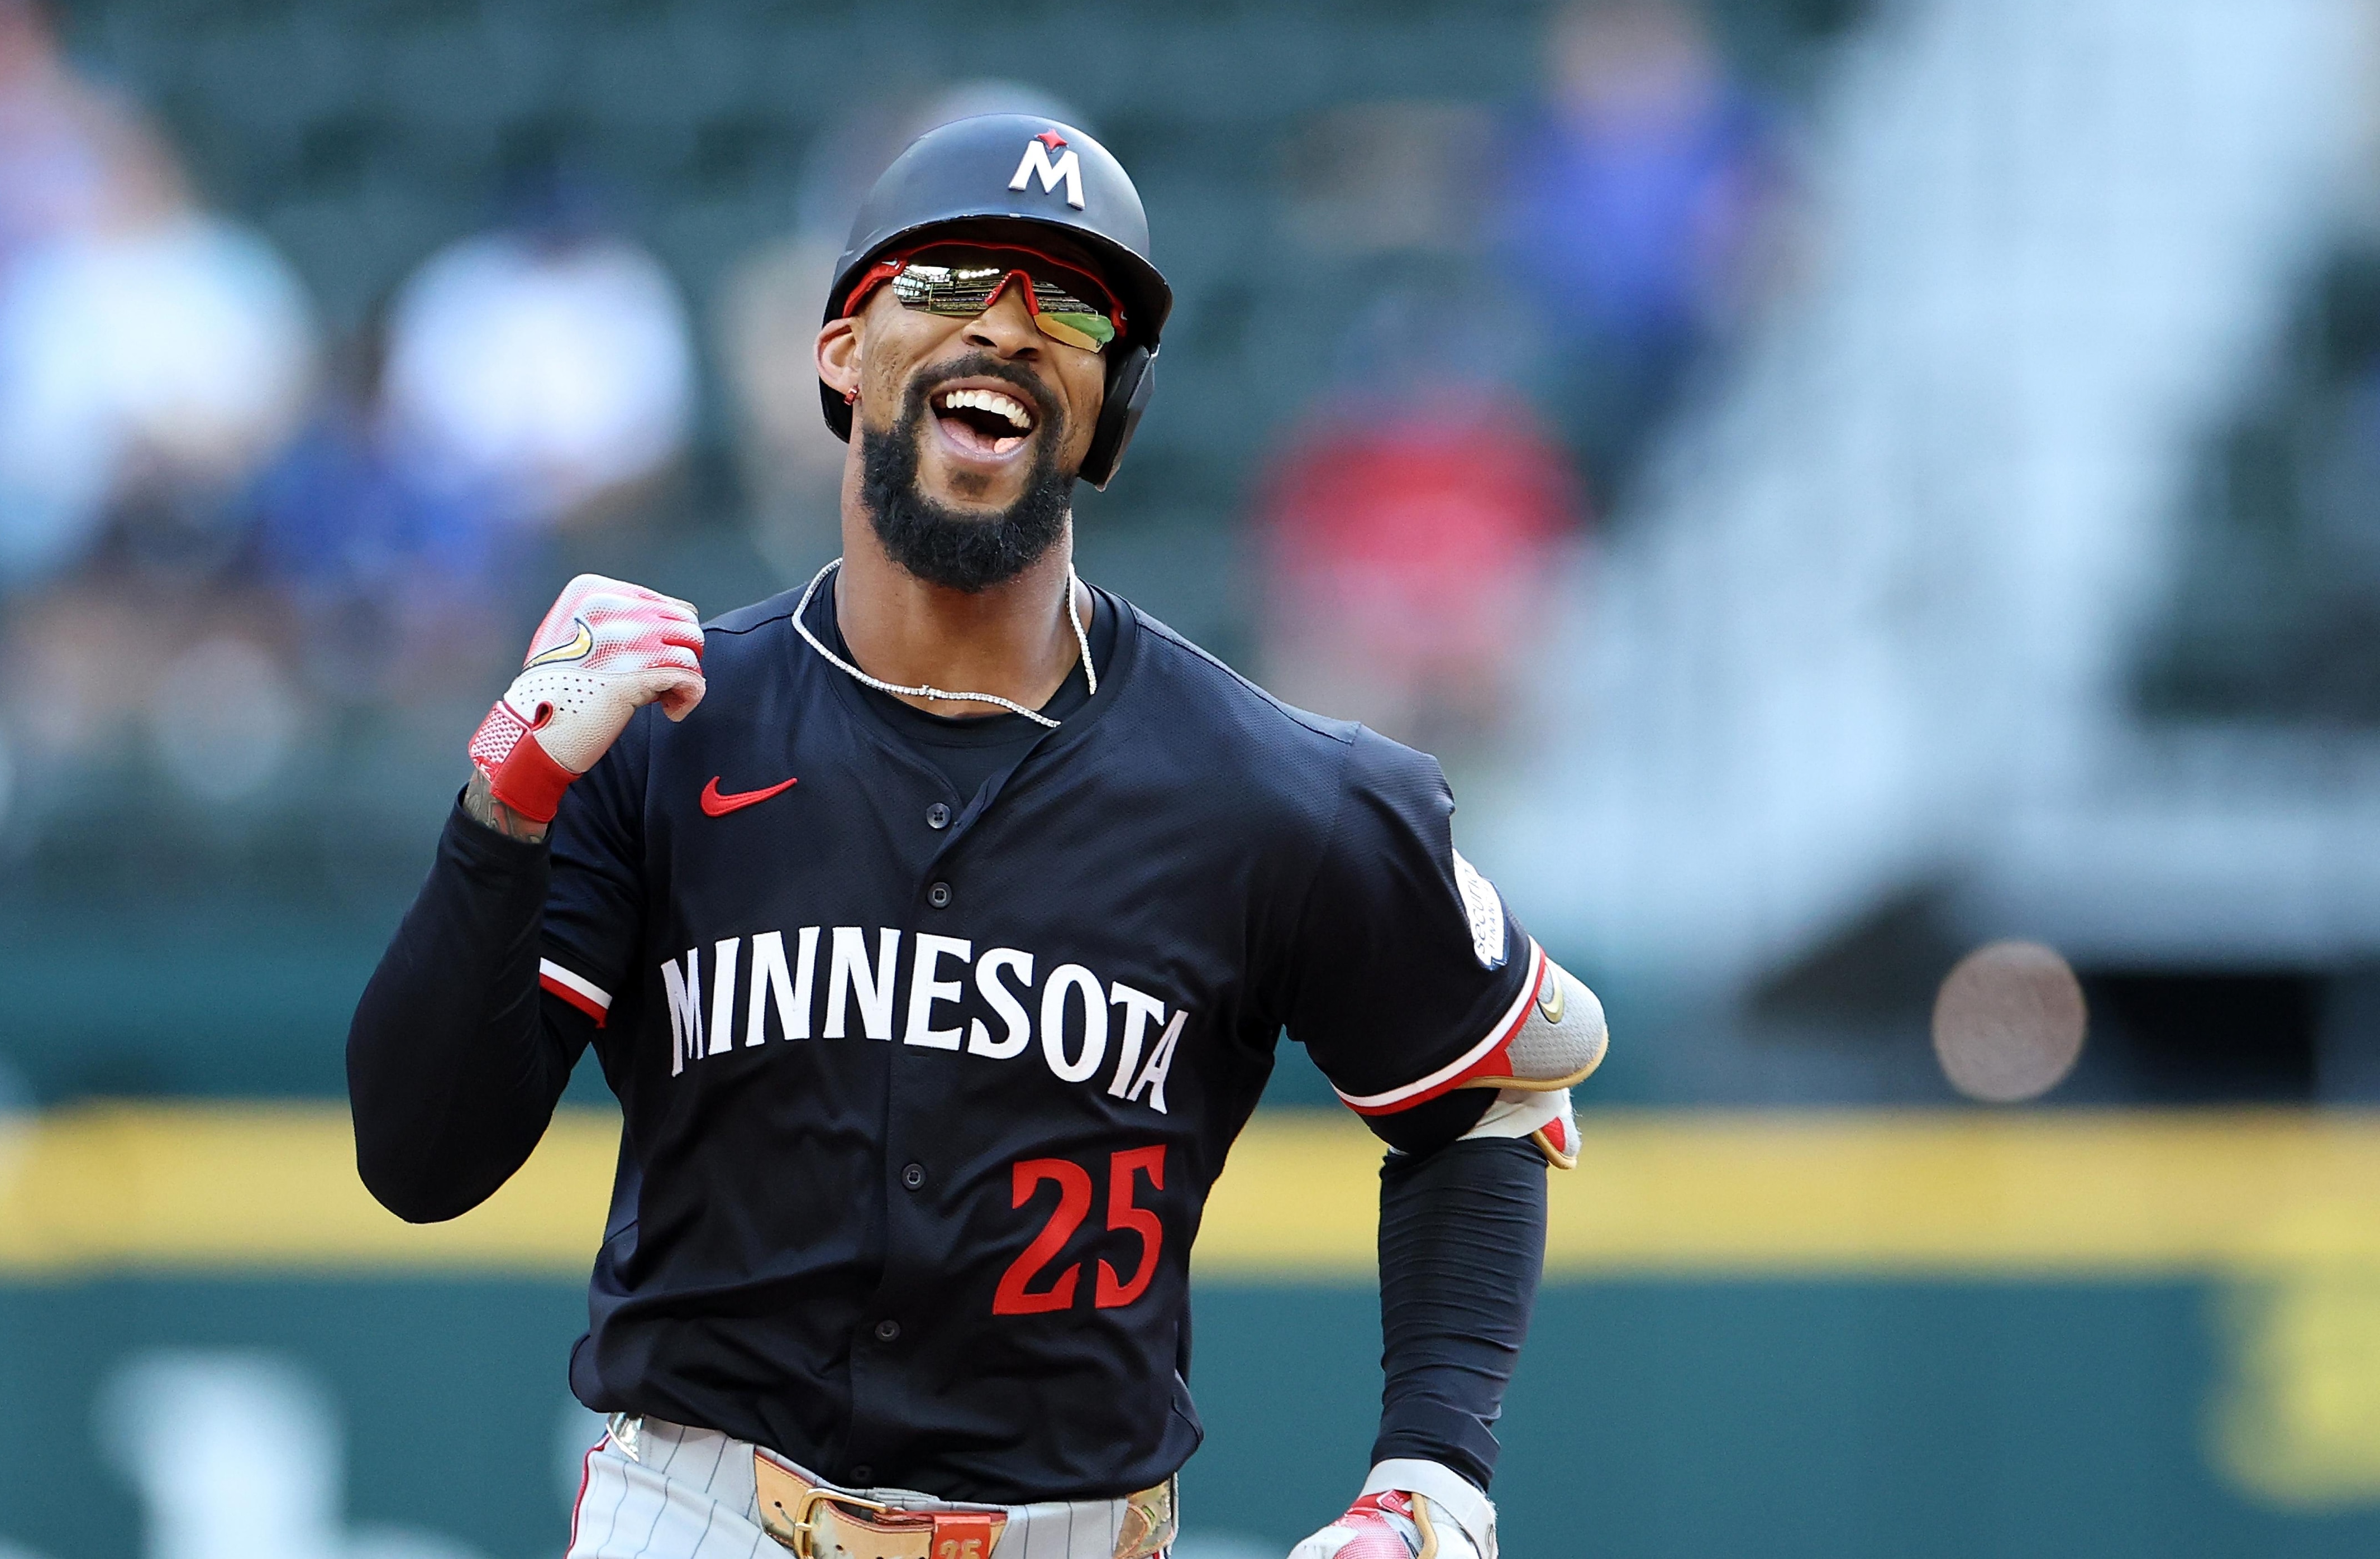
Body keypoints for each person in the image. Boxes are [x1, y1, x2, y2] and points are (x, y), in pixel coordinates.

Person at [346, 116, 1608, 1559]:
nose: (1008, 323)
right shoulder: (667, 719)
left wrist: (1433, 1471)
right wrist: (501, 812)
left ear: (1110, 405)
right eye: (950, 279)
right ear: (842, 351)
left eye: (1068, 303)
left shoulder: (1272, 790)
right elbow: (420, 1159)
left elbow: (1493, 1095)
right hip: (704, 1513)